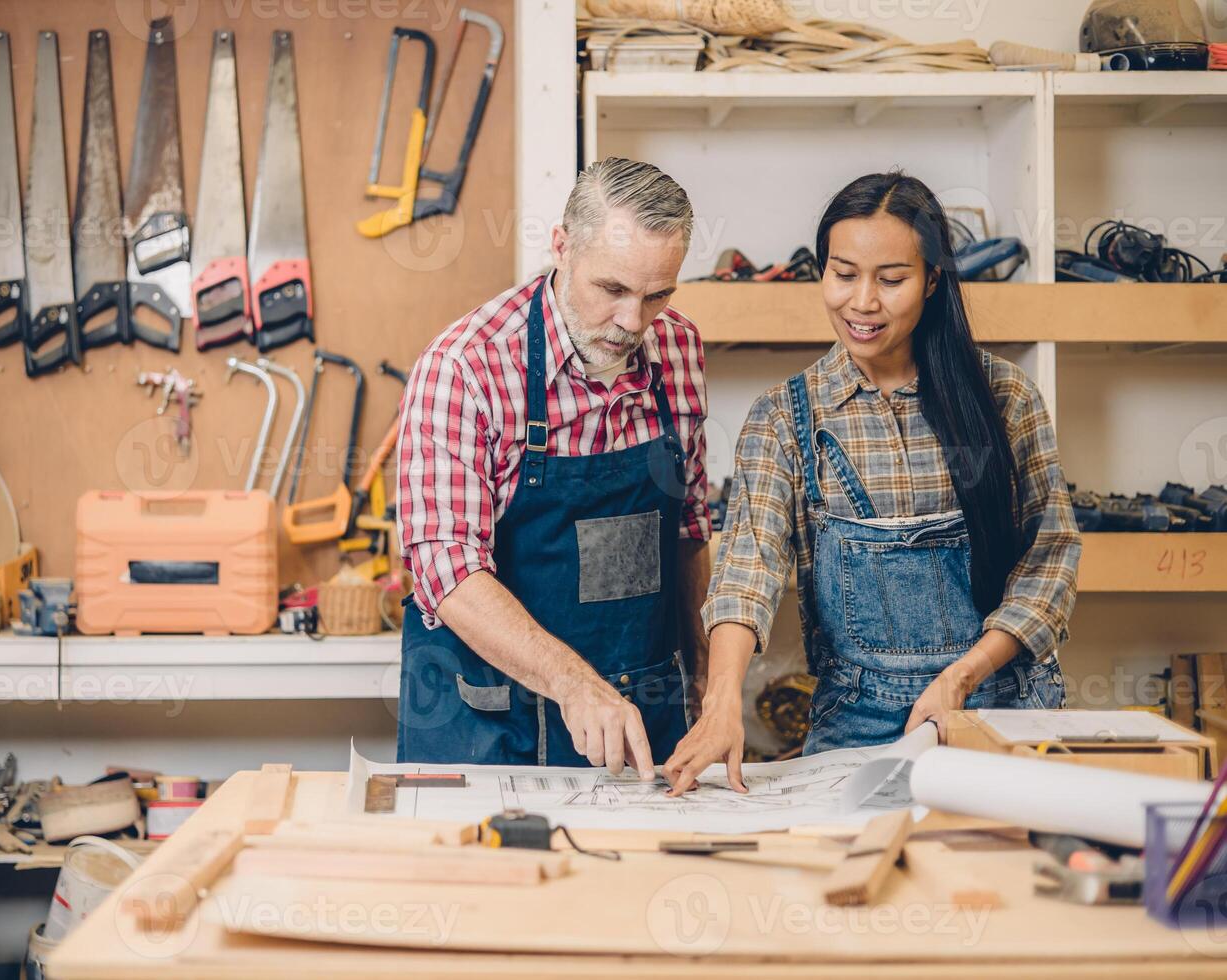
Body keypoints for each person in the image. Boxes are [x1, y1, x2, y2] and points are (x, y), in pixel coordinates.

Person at [665, 171, 1079, 796]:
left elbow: (1050, 561)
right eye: (843, 273)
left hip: (998, 707)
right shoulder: (786, 416)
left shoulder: (1005, 397)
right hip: (856, 722)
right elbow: (747, 566)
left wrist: (961, 679)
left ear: (934, 280)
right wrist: (722, 697)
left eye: (891, 280)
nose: (862, 301)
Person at [396, 157, 713, 778]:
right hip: (492, 726)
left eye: (657, 295)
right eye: (612, 290)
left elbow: (688, 529)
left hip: (641, 719)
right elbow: (447, 570)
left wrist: (702, 671)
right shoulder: (466, 368)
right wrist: (575, 683)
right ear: (562, 248)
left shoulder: (678, 347)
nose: (633, 322)